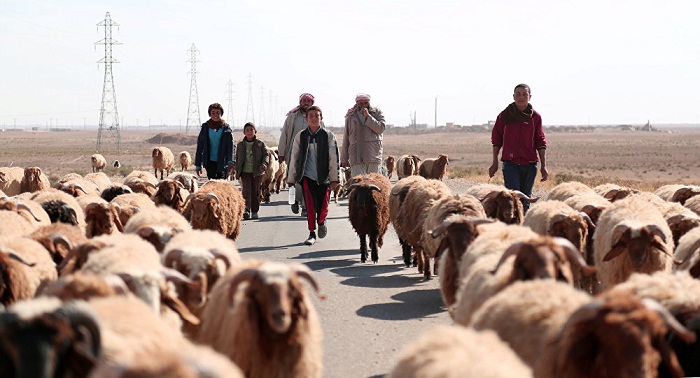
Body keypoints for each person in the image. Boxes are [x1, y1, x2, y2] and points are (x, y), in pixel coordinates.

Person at [488, 83, 548, 212]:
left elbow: (540, 141)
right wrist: (494, 162)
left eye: (524, 94)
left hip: (530, 164)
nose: (521, 97)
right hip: (511, 164)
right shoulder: (504, 116)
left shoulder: (535, 118)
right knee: (513, 198)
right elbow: (497, 140)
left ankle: (523, 228)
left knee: (526, 200)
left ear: (530, 96)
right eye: (518, 94)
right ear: (513, 96)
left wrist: (543, 166)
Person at [287, 105, 340, 246]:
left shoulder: (328, 136)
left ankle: (321, 222)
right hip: (307, 176)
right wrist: (291, 179)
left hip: (324, 177)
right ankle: (311, 233)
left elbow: (334, 158)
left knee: (323, 206)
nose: (314, 118)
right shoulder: (301, 136)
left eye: (317, 115)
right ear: (306, 119)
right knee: (310, 206)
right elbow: (294, 158)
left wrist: (335, 178)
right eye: (311, 116)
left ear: (321, 118)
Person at [278, 93, 315, 215]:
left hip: (311, 155)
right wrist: (281, 152)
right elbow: (284, 135)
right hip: (294, 154)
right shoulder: (292, 117)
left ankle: (305, 207)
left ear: (311, 103)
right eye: (303, 100)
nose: (306, 103)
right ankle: (295, 200)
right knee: (294, 180)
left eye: (308, 101)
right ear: (300, 102)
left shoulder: (316, 117)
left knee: (308, 181)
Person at [340, 93, 386, 177]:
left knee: (374, 183)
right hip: (356, 156)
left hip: (373, 155)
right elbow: (346, 138)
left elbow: (381, 129)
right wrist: (344, 159)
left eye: (366, 103)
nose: (363, 105)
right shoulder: (350, 116)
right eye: (361, 103)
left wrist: (368, 117)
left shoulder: (377, 113)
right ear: (357, 103)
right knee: (358, 185)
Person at [235, 122, 269, 220]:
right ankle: (246, 210)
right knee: (246, 191)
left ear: (255, 132)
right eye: (247, 130)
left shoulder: (259, 144)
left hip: (257, 172)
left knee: (256, 191)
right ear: (244, 132)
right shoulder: (241, 145)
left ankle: (255, 211)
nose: (249, 132)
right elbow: (237, 158)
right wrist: (237, 171)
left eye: (251, 130)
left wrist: (264, 164)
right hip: (245, 172)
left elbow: (266, 155)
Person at [194, 103, 235, 180]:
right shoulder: (205, 128)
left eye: (218, 112)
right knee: (212, 182)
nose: (215, 115)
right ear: (209, 114)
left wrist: (231, 160)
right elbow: (200, 147)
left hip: (223, 161)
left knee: (221, 184)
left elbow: (230, 146)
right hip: (209, 161)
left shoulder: (226, 128)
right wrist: (198, 165)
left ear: (221, 114)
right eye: (213, 113)